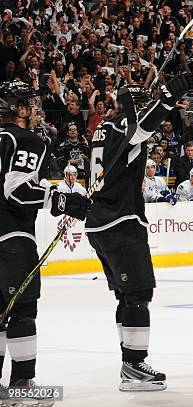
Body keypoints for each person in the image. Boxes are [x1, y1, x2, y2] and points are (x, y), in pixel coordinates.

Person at [85, 75, 193, 391]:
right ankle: (134, 366)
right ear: (131, 106)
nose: (144, 108)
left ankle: (129, 361)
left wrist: (162, 100)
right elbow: (142, 127)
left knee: (127, 295)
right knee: (138, 294)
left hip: (101, 221)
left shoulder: (105, 129)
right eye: (141, 103)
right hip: (119, 221)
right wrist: (164, 100)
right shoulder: (122, 126)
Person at [0, 80, 87, 398]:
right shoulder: (26, 140)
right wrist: (62, 200)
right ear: (19, 109)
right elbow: (17, 191)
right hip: (11, 239)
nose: (34, 110)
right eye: (29, 105)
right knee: (22, 310)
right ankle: (21, 385)